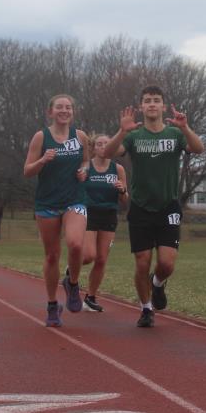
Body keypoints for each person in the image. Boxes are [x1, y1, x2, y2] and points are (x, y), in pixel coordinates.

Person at [103, 85, 204, 327]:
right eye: (147, 100)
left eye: (156, 100)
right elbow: (107, 153)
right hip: (140, 207)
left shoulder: (175, 134)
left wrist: (185, 127)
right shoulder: (134, 136)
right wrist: (121, 130)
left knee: (167, 263)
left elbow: (198, 149)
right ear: (141, 106)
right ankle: (146, 308)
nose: (151, 104)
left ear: (163, 106)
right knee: (142, 261)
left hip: (168, 206)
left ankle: (157, 283)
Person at [23, 93, 90, 327]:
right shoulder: (41, 137)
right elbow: (27, 171)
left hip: (74, 200)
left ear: (73, 112)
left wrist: (84, 170)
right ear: (50, 112)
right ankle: (52, 304)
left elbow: (86, 161)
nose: (64, 110)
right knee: (52, 256)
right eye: (59, 107)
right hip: (48, 203)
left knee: (76, 244)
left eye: (68, 107)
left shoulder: (80, 136)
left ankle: (72, 283)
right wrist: (42, 161)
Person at [80, 134, 129, 312]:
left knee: (101, 259)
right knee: (88, 256)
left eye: (106, 144)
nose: (103, 147)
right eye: (99, 144)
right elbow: (75, 188)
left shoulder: (118, 169)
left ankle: (90, 297)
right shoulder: (86, 166)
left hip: (109, 214)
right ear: (93, 148)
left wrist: (122, 190)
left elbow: (125, 199)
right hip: (88, 212)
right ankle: (72, 267)